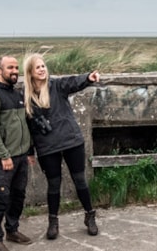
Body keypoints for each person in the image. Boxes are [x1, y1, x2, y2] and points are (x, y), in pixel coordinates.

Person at [22, 53, 100, 239]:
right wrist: (29, 151)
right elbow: (29, 128)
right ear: (30, 73)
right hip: (47, 147)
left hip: (71, 141)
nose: (42, 69)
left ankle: (90, 216)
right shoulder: (26, 98)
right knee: (54, 184)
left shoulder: (56, 86)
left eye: (43, 66)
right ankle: (53, 221)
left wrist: (88, 78)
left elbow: (73, 82)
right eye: (38, 67)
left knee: (79, 180)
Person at [0, 55, 36, 251]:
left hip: (21, 156)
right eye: (9, 68)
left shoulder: (16, 94)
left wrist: (29, 151)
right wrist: (3, 155)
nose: (14, 71)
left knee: (18, 197)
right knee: (0, 198)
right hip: (4, 159)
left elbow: (24, 125)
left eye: (16, 67)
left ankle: (12, 230)